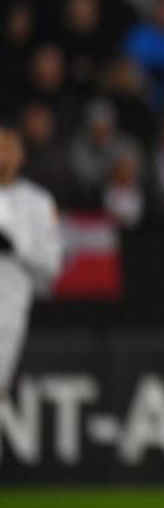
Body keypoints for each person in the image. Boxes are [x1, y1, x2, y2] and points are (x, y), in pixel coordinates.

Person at [0, 126, 64, 394]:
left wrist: (15, 245)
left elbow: (52, 262)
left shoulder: (38, 202)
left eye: (8, 148)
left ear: (20, 155)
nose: (2, 155)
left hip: (8, 311)